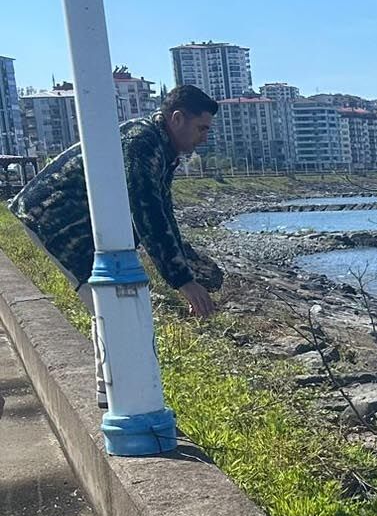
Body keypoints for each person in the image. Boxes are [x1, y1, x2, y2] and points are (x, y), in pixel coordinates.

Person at [8, 85, 224, 408]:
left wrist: (191, 265)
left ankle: (110, 395)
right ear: (177, 119)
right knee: (113, 308)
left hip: (77, 222)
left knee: (112, 308)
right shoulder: (142, 143)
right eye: (201, 128)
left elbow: (163, 215)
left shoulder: (160, 148)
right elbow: (147, 212)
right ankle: (116, 399)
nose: (204, 137)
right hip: (56, 218)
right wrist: (183, 281)